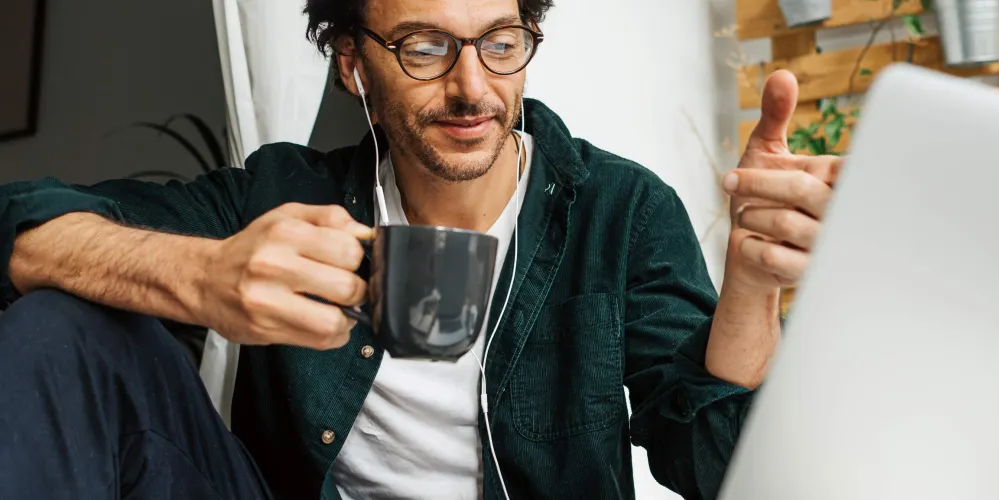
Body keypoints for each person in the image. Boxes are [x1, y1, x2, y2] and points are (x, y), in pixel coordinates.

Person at [0, 0, 841, 498]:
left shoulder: (616, 209)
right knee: (63, 330)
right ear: (353, 64)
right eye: (425, 47)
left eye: (501, 42)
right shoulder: (281, 193)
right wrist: (202, 273)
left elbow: (720, 468)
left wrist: (754, 286)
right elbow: (18, 221)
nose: (473, 88)